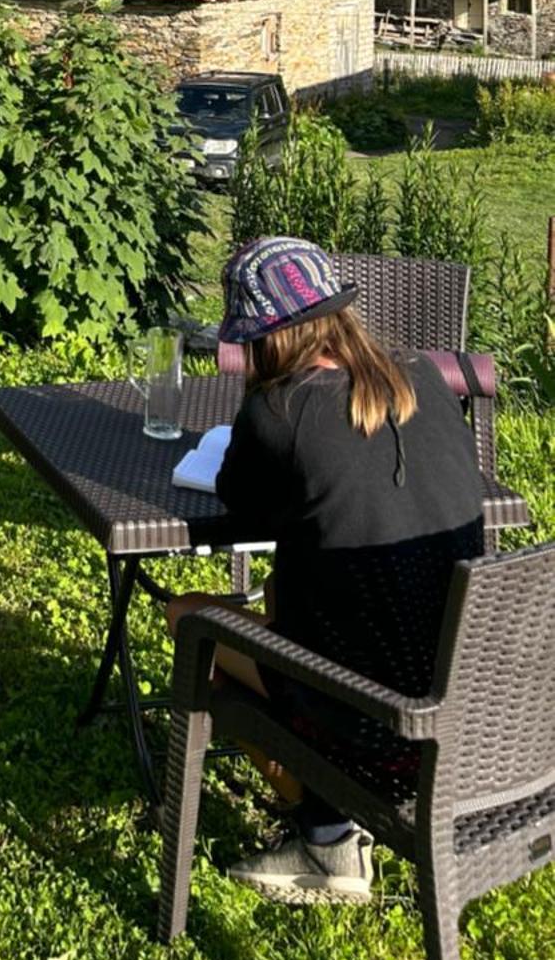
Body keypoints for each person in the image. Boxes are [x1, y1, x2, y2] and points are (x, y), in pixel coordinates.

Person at [165, 236, 485, 903]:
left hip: (372, 721)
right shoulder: (423, 375)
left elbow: (242, 501)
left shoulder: (279, 408)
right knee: (301, 583)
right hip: (466, 702)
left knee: (187, 617)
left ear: (262, 336)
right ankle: (327, 812)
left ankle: (329, 834)